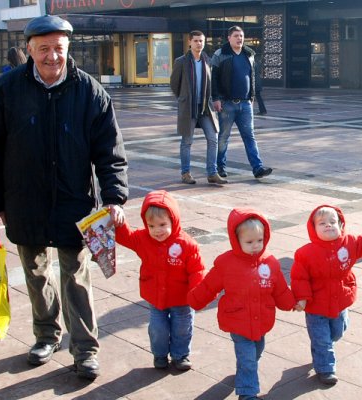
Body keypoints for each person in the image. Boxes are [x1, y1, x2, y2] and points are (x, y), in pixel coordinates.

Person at [0, 15, 129, 380]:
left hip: (72, 203)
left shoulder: (90, 91)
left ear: (68, 48)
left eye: (58, 48)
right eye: (43, 49)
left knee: (75, 276)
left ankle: (85, 349)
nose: (51, 56)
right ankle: (46, 335)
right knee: (34, 272)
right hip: (23, 203)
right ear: (29, 50)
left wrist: (114, 198)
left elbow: (110, 150)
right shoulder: (9, 88)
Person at [188, 208, 295, 400]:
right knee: (247, 358)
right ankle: (247, 393)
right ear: (236, 240)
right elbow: (209, 285)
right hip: (237, 320)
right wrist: (195, 299)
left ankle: (245, 372)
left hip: (262, 319)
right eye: (249, 242)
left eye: (260, 240)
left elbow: (279, 288)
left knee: (256, 352)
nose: (256, 246)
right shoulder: (226, 263)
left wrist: (290, 303)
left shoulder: (270, 262)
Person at [291, 205, 362, 385]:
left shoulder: (349, 243)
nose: (328, 225)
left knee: (338, 332)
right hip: (316, 306)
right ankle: (325, 369)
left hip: (340, 301)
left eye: (333, 222)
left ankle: (322, 349)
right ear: (313, 229)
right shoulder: (305, 253)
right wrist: (302, 298)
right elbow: (299, 278)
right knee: (322, 339)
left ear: (341, 225)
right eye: (322, 223)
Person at [114, 190, 205, 370]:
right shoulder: (143, 239)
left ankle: (180, 355)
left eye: (163, 224)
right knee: (157, 328)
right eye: (152, 226)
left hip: (182, 298)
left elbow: (197, 270)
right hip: (156, 296)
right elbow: (126, 238)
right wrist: (119, 222)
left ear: (174, 220)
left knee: (182, 328)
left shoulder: (186, 244)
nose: (157, 231)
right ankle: (160, 354)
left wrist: (197, 292)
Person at [211, 26, 273, 180]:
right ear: (229, 38)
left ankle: (257, 168)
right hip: (227, 104)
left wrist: (251, 96)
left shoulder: (249, 54)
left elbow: (252, 77)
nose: (240, 39)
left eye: (242, 36)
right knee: (224, 137)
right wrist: (216, 98)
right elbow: (214, 79)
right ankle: (220, 167)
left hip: (245, 104)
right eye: (236, 36)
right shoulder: (220, 54)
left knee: (249, 136)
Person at [170, 30, 227, 185]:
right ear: (190, 42)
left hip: (205, 107)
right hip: (189, 107)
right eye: (196, 41)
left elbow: (211, 83)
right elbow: (174, 84)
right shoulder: (181, 61)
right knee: (187, 141)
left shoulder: (207, 60)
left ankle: (212, 173)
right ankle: (185, 173)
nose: (199, 43)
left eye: (201, 41)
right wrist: (183, 98)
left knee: (213, 138)